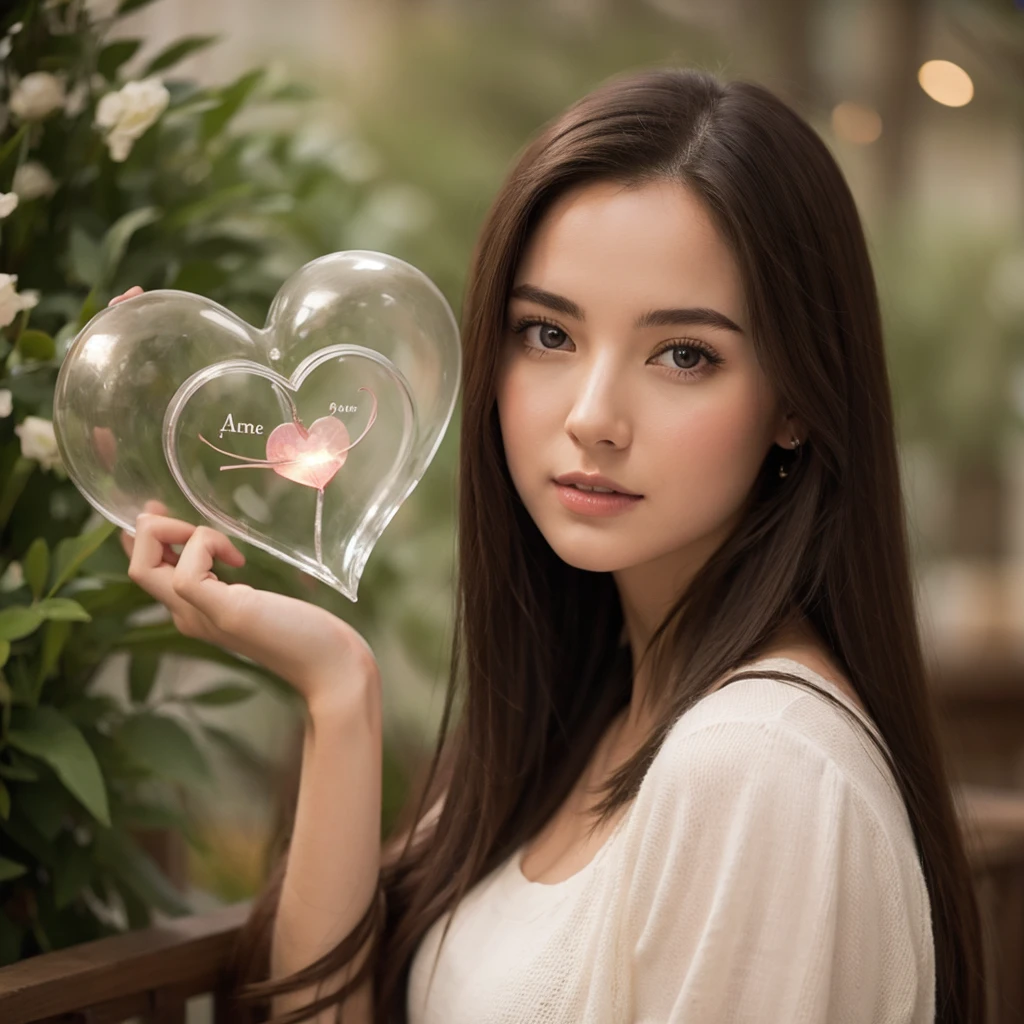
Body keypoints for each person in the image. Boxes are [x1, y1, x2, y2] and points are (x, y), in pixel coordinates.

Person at [115, 67, 984, 1024]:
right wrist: (339, 691)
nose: (593, 417)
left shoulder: (757, 767)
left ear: (793, 402)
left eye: (683, 354)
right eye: (547, 333)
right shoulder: (599, 707)